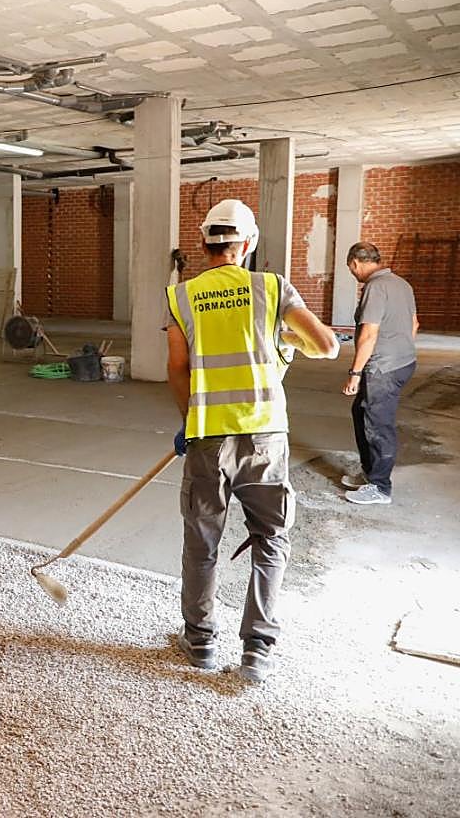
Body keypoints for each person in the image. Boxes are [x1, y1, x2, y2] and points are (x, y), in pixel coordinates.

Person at [165, 199, 339, 683]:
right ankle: (256, 651)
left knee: (202, 542)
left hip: (206, 437)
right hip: (264, 438)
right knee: (272, 538)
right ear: (248, 244)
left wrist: (190, 421)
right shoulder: (272, 287)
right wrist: (290, 336)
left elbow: (177, 368)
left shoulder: (182, 296)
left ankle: (199, 641)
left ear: (203, 244)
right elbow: (325, 347)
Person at [340, 242, 418, 505]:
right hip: (403, 361)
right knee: (360, 411)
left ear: (355, 263)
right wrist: (400, 347)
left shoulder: (375, 287)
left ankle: (380, 487)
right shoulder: (401, 283)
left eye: (351, 268)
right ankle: (370, 472)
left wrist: (355, 373)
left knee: (377, 423)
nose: (353, 273)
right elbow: (414, 324)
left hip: (383, 367)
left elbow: (369, 335)